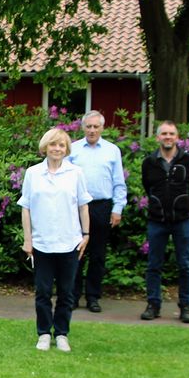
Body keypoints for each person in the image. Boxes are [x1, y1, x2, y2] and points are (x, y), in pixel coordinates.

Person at [19, 128, 91, 352]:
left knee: (66, 292)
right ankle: (43, 333)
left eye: (61, 145)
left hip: (69, 242)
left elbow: (83, 205)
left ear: (66, 149)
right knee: (42, 292)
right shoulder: (33, 173)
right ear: (45, 147)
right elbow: (26, 208)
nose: (57, 149)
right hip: (41, 243)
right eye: (53, 144)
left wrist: (86, 235)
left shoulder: (75, 173)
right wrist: (28, 240)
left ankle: (61, 333)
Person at [68, 110, 126, 313]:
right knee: (76, 253)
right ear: (83, 128)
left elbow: (119, 183)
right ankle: (72, 296)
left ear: (102, 128)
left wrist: (117, 208)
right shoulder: (73, 149)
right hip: (77, 207)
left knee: (98, 255)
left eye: (96, 127)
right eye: (89, 126)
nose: (92, 130)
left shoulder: (112, 151)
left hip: (102, 206)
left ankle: (93, 297)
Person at [140, 121, 189, 323]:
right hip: (157, 220)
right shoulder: (149, 163)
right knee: (154, 265)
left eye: (171, 133)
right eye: (164, 133)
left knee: (185, 265)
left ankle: (186, 306)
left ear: (177, 137)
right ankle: (153, 305)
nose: (167, 137)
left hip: (182, 220)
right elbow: (148, 187)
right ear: (157, 137)